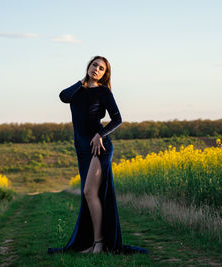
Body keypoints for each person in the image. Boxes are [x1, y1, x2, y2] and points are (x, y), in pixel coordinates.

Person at [48, 56, 148, 255]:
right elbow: (62, 96)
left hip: (98, 146)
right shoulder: (77, 91)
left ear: (105, 74)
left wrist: (100, 135)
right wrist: (81, 82)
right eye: (94, 65)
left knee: (88, 192)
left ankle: (100, 243)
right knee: (90, 195)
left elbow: (118, 119)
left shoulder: (103, 91)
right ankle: (92, 243)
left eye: (101, 68)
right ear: (88, 66)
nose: (96, 69)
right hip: (81, 148)